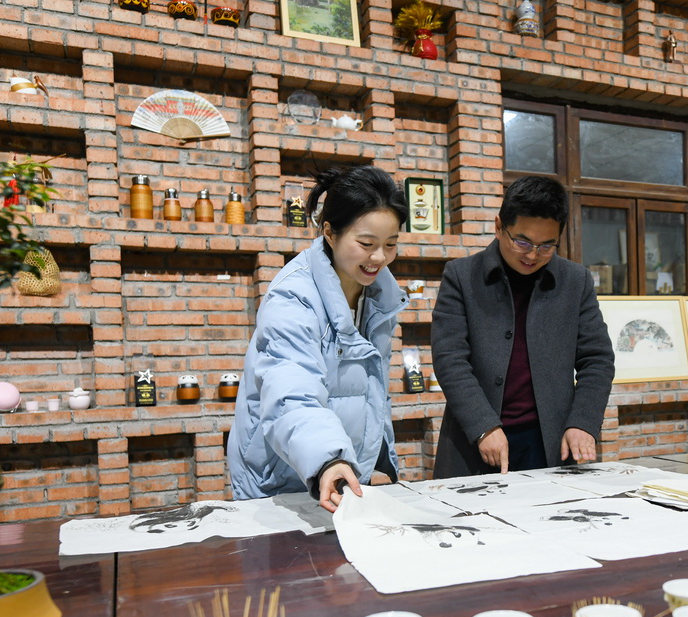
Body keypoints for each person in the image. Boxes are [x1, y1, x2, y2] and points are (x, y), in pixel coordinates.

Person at [228, 166, 409, 512]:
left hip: (340, 471)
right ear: (329, 232)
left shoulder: (379, 293)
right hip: (283, 476)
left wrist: (376, 462)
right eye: (366, 244)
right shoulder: (293, 297)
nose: (379, 258)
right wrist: (329, 459)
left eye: (391, 245)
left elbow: (370, 393)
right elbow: (291, 392)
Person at [431, 175, 614, 478]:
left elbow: (597, 360)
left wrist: (582, 421)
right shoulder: (461, 277)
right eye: (523, 242)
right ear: (499, 226)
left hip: (551, 441)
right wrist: (483, 426)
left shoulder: (575, 281)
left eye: (546, 246)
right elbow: (450, 360)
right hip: (477, 438)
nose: (532, 255)